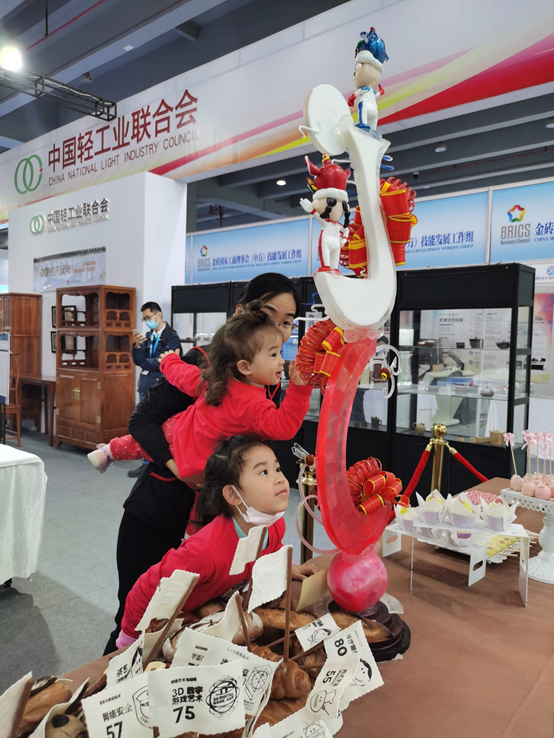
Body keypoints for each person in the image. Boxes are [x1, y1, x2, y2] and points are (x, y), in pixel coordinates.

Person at [103, 274, 301, 654]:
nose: (278, 327)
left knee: (196, 621)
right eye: (268, 314)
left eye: (287, 321)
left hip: (211, 521)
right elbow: (141, 422)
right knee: (139, 619)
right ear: (241, 312)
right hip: (159, 509)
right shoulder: (206, 364)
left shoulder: (268, 379)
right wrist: (178, 466)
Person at [116, 436, 317, 647]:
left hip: (214, 608)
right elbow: (147, 589)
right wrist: (128, 639)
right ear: (233, 494)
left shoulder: (275, 525)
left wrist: (285, 567)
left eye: (277, 469)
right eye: (263, 472)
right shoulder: (205, 552)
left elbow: (271, 549)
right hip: (171, 620)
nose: (280, 479)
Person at [88, 310, 312, 487]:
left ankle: (110, 451)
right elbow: (284, 426)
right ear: (245, 366)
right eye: (273, 354)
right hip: (203, 470)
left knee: (142, 442)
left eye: (279, 353)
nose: (281, 360)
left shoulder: (214, 380)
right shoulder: (256, 406)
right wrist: (299, 390)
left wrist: (168, 360)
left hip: (179, 438)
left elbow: (183, 375)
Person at [128, 301, 180, 477]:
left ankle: (159, 462)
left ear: (159, 314)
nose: (147, 321)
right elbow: (139, 360)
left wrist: (146, 362)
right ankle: (145, 462)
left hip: (161, 387)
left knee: (158, 427)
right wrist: (137, 346)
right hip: (145, 385)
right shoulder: (148, 336)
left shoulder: (171, 336)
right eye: (144, 319)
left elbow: (163, 361)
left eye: (149, 317)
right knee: (143, 426)